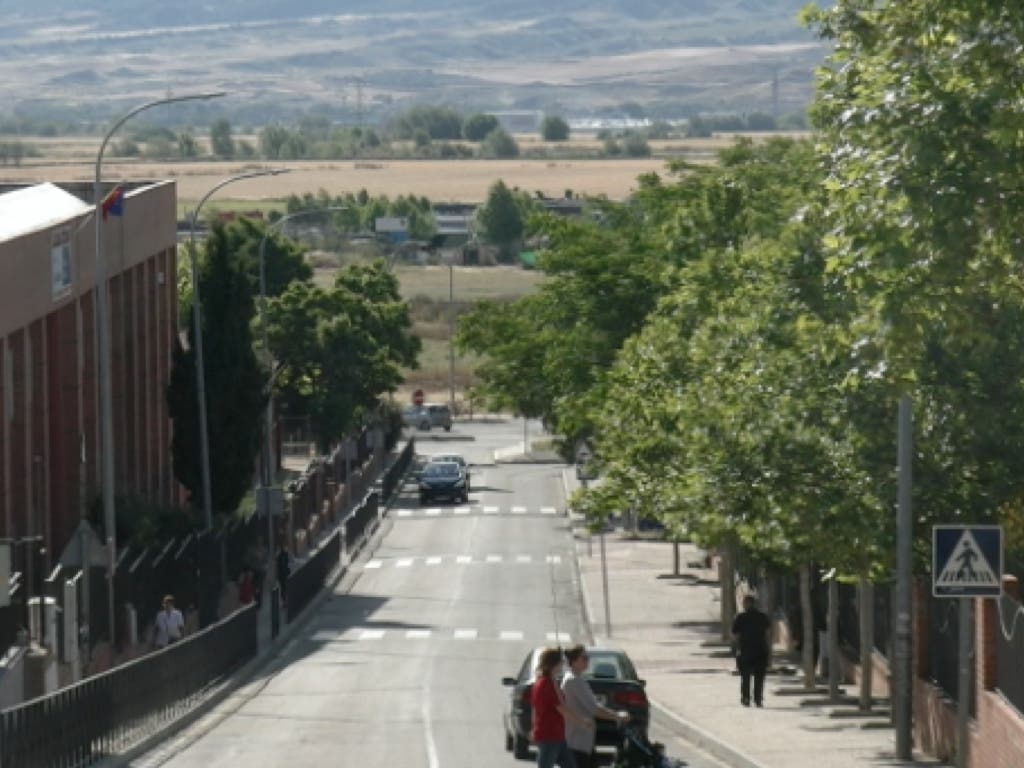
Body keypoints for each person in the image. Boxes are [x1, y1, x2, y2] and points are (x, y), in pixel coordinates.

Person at [560, 645, 630, 768]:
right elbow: (594, 709)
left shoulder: (575, 679)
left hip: (582, 739)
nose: (588, 660)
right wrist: (618, 716)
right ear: (574, 661)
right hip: (577, 741)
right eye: (584, 658)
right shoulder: (574, 681)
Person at [531, 647, 583, 768]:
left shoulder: (550, 681)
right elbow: (561, 708)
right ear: (553, 664)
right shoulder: (545, 684)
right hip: (549, 734)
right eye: (560, 662)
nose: (562, 665)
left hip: (557, 734)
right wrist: (581, 722)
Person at [732, 595, 772, 707]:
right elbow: (768, 635)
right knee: (759, 677)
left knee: (745, 677)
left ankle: (746, 698)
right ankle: (758, 699)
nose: (743, 605)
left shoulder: (740, 617)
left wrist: (736, 649)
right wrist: (769, 651)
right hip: (760, 650)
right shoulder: (763, 617)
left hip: (745, 651)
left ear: (747, 604)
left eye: (744, 603)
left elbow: (735, 635)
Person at [275, 543, 291, 610]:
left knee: (283, 588)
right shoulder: (283, 555)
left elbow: (284, 563)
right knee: (284, 588)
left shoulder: (282, 555)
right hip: (283, 574)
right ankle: (285, 601)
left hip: (283, 574)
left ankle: (285, 601)